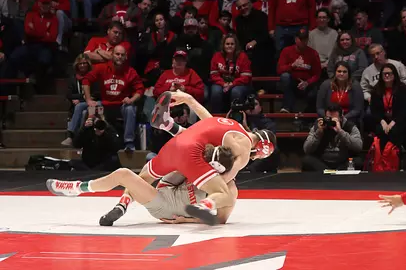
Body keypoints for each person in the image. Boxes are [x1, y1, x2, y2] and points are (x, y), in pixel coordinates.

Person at [47, 90, 276, 226]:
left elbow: (207, 123)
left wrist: (189, 100)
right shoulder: (245, 151)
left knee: (135, 175)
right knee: (227, 190)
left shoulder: (232, 124)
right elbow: (226, 183)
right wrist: (200, 208)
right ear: (262, 149)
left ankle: (81, 188)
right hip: (188, 162)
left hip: (174, 150)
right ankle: (202, 206)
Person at [47, 145, 238, 225]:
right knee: (125, 173)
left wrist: (186, 220)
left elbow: (220, 220)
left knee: (147, 170)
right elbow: (165, 179)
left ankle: (123, 203)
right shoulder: (195, 165)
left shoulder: (228, 187)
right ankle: (77, 188)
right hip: (162, 197)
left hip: (169, 210)